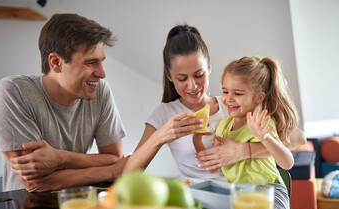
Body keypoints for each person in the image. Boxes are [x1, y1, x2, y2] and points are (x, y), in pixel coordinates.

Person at [123, 24, 306, 184]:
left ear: (209, 68)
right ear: (170, 76)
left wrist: (243, 151)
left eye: (198, 75)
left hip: (246, 193)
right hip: (200, 197)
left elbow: (298, 138)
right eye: (182, 78)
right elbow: (128, 173)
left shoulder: (234, 103)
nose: (192, 86)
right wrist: (160, 136)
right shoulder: (164, 113)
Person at [0, 13, 126, 192]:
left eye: (101, 62)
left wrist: (60, 158)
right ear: (56, 63)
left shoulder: (100, 91)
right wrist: (111, 172)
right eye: (92, 62)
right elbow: (35, 182)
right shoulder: (12, 92)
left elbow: (115, 157)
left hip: (80, 204)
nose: (101, 73)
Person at [193, 56, 297, 209]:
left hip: (268, 189)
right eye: (225, 91)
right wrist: (197, 139)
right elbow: (212, 166)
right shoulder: (223, 126)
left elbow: (287, 162)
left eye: (238, 93)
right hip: (237, 192)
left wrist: (265, 137)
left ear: (259, 97)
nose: (228, 98)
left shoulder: (262, 123)